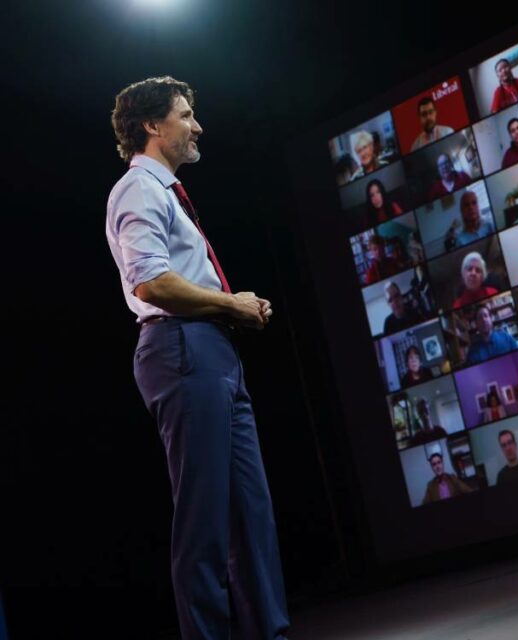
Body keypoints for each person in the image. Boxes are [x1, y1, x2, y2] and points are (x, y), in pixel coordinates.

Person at [106, 77, 288, 638]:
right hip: (181, 347)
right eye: (186, 115)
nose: (197, 125)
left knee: (250, 518)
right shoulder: (137, 189)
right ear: (153, 126)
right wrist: (228, 303)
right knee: (205, 522)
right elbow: (152, 283)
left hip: (212, 350)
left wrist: (230, 310)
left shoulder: (167, 195)